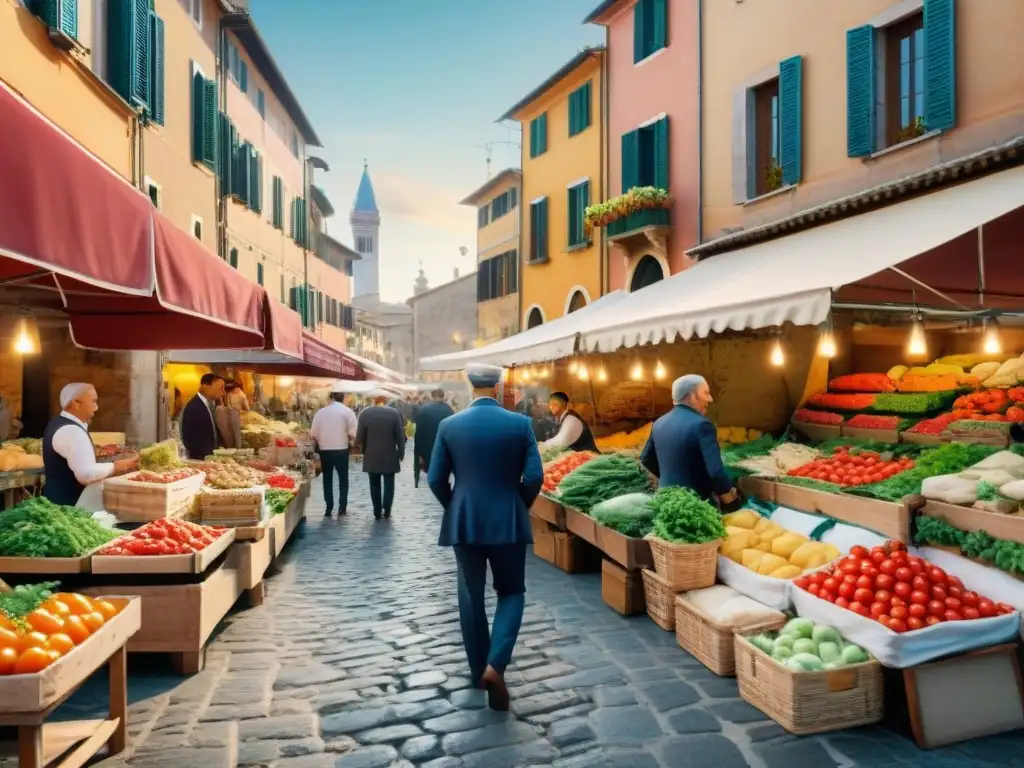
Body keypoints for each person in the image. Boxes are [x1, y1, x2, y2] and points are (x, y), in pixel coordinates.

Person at [427, 363, 543, 712]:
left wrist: (455, 505)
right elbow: (535, 476)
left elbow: (435, 478)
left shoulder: (449, 425)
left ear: (469, 384)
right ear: (498, 386)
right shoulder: (520, 424)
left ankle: (479, 670)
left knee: (470, 596)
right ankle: (497, 663)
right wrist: (517, 504)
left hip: (464, 520)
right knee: (511, 591)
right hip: (507, 518)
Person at [640, 374, 742, 511]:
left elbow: (646, 459)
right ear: (692, 397)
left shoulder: (659, 423)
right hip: (694, 505)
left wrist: (671, 479)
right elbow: (715, 471)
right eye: (706, 393)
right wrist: (729, 497)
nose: (710, 399)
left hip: (665, 501)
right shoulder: (702, 425)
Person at [43, 383, 139, 507]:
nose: (96, 408)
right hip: (69, 507)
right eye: (93, 401)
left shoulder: (59, 423)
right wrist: (117, 466)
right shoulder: (71, 430)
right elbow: (86, 474)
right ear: (76, 402)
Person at [310, 383, 358, 518]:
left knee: (327, 479)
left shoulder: (321, 412)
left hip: (325, 450)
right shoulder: (347, 412)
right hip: (342, 449)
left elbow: (313, 433)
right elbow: (353, 433)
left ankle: (328, 507)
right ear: (343, 397)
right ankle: (342, 507)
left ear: (331, 397)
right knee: (343, 479)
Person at [356, 394, 405, 519]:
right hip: (390, 454)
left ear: (374, 400)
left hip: (371, 454)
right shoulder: (394, 414)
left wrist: (363, 450)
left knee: (374, 484)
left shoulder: (364, 414)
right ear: (386, 401)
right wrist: (401, 453)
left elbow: (360, 438)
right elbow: (400, 436)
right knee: (389, 483)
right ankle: (387, 509)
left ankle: (377, 510)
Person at [413, 389, 453, 488]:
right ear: (443, 396)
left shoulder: (423, 410)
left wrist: (418, 451)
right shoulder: (449, 410)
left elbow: (418, 432)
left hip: (426, 446)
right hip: (443, 445)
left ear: (432, 396)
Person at [180, 373, 224, 459]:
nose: (223, 392)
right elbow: (191, 439)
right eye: (221, 388)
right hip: (200, 458)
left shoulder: (207, 404)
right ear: (206, 386)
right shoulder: (195, 407)